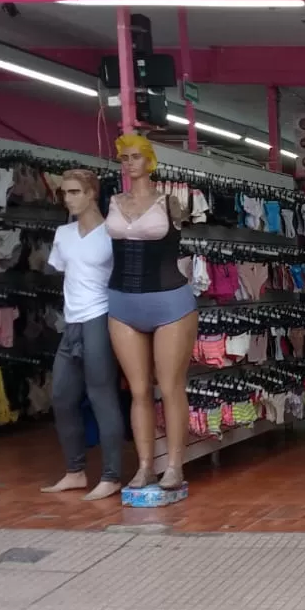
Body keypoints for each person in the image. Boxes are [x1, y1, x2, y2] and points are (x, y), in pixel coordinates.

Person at [107, 133, 197, 490]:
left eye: (134, 157)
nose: (128, 163)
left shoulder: (171, 202)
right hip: (122, 302)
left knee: (172, 386)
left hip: (170, 302)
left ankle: (174, 465)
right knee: (139, 389)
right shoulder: (112, 201)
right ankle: (145, 466)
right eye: (123, 158)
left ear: (149, 161)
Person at [40, 169, 124, 501]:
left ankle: (112, 475)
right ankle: (75, 472)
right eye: (64, 193)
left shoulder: (112, 234)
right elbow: (67, 272)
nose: (68, 198)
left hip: (99, 318)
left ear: (91, 193)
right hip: (71, 323)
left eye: (74, 192)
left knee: (102, 395)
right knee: (61, 396)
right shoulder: (63, 233)